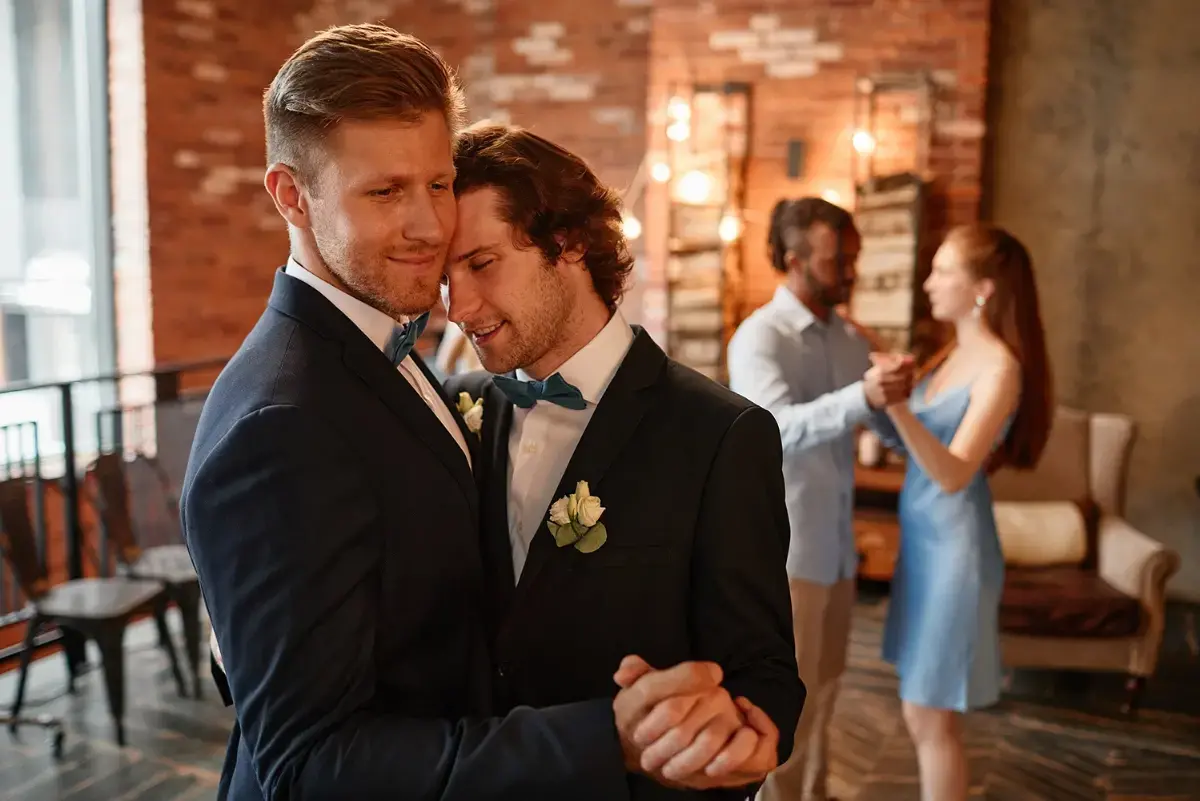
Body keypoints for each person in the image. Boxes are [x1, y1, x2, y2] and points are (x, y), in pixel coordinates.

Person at [185, 24, 768, 801]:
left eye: (435, 183)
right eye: (385, 191)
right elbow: (305, 763)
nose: (429, 227)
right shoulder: (282, 419)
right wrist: (605, 737)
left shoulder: (393, 358)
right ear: (292, 194)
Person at [441, 123, 804, 799]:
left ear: (569, 244)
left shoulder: (721, 434)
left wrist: (726, 732)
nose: (456, 307)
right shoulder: (447, 409)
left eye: (482, 263)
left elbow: (764, 673)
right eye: (444, 276)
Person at [726, 198, 911, 801]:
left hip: (836, 544)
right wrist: (863, 396)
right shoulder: (760, 337)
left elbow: (872, 424)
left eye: (854, 260)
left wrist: (898, 400)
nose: (851, 274)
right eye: (839, 262)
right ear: (793, 258)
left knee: (830, 685)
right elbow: (772, 428)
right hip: (788, 546)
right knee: (788, 699)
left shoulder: (850, 339)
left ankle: (817, 793)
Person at [867, 223, 1052, 801]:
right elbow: (913, 446)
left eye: (944, 269)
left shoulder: (1001, 367)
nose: (929, 282)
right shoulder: (951, 354)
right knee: (920, 713)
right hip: (923, 547)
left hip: (955, 551)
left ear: (983, 288)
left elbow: (951, 473)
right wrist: (880, 397)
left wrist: (897, 407)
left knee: (931, 716)